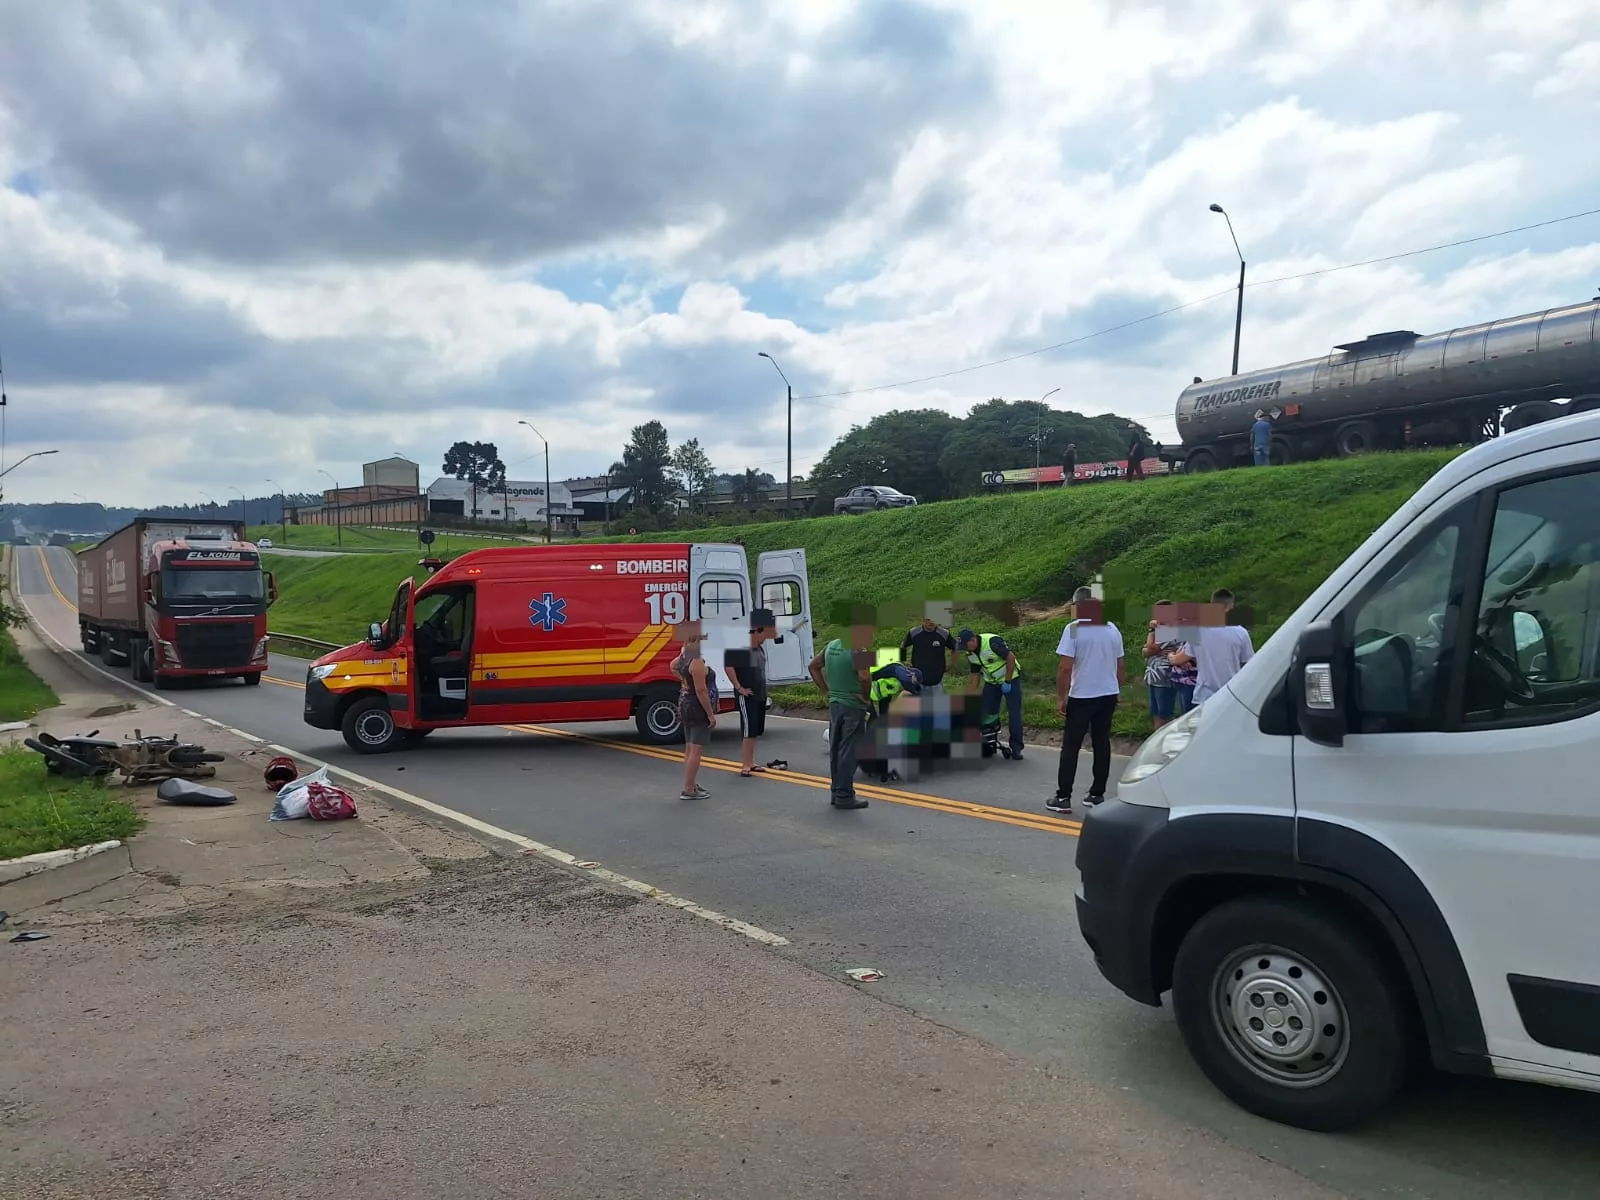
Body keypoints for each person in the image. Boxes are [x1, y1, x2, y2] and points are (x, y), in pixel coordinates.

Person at [1048, 587, 1124, 814]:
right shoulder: (1112, 628)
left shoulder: (1074, 629)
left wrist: (1061, 698)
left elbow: (1065, 668)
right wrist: (1116, 688)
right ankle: (1097, 794)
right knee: (1102, 743)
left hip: (1082, 695)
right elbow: (1121, 665)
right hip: (1108, 694)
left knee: (1071, 746)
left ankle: (1063, 797)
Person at [808, 624, 874, 810]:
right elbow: (864, 677)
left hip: (835, 704)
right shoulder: (859, 649)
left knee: (836, 749)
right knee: (850, 751)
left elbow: (813, 666)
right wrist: (866, 697)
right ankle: (844, 795)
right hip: (853, 705)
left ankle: (836, 792)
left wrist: (826, 691)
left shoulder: (832, 645)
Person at [671, 624, 719, 801]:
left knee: (689, 747)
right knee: (696, 749)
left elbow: (672, 666)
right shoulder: (697, 661)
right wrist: (710, 714)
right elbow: (701, 691)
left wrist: (684, 681)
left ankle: (690, 783)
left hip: (684, 703)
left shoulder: (684, 656)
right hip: (696, 707)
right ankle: (689, 789)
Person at [724, 608, 774, 778]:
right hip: (747, 694)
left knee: (755, 729)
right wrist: (739, 687)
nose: (765, 638)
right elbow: (729, 666)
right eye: (763, 634)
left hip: (760, 693)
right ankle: (745, 764)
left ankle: (752, 762)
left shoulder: (759, 649)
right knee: (747, 729)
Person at [959, 628, 1024, 760]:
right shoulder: (971, 654)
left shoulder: (992, 642)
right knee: (987, 713)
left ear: (973, 640)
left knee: (1014, 714)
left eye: (966, 646)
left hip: (1010, 681)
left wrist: (1008, 681)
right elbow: (975, 676)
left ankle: (1016, 747)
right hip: (992, 683)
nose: (965, 649)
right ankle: (991, 742)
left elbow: (1010, 657)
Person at [1188, 588, 1255, 705]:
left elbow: (1190, 655)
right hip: (1232, 694)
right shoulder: (1240, 632)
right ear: (1230, 606)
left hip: (1204, 695)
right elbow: (1248, 664)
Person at [1142, 601, 1182, 729]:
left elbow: (1149, 648)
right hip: (1155, 677)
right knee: (1156, 712)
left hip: (1164, 677)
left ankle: (1167, 741)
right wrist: (1147, 650)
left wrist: (1151, 630)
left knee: (1164, 713)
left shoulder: (1169, 629)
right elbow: (1146, 651)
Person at [900, 617, 957, 688]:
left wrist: (951, 664)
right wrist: (903, 662)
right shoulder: (914, 632)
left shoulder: (944, 634)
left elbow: (955, 648)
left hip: (937, 678)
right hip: (917, 677)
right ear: (923, 620)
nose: (931, 622)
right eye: (928, 620)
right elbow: (903, 646)